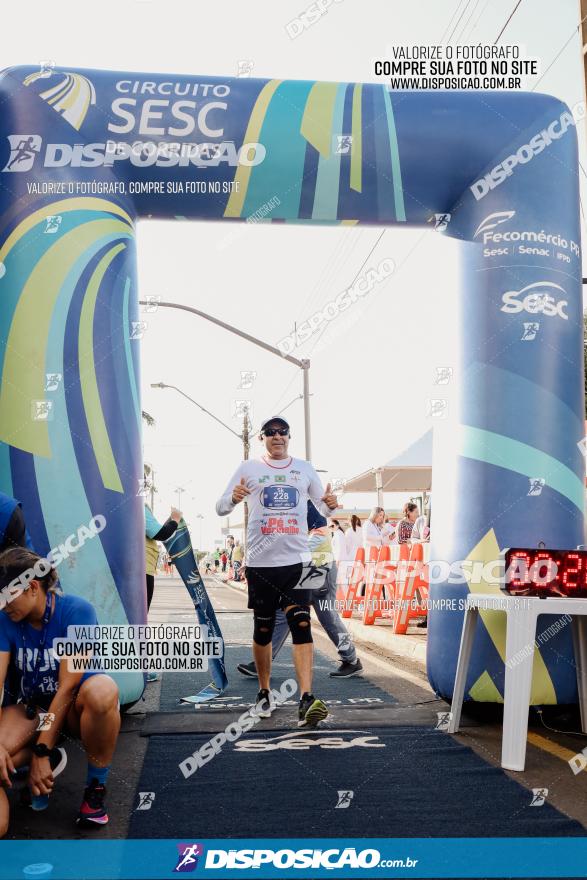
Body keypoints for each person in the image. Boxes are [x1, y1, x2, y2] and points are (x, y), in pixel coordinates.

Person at [216, 415, 339, 727]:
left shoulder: (304, 468)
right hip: (260, 565)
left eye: (282, 432)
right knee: (263, 630)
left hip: (297, 562)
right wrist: (232, 497)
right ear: (262, 439)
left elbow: (322, 512)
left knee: (301, 623)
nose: (277, 436)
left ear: (288, 436)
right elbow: (220, 507)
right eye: (270, 433)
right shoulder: (248, 468)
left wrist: (330, 505)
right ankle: (264, 690)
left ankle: (306, 698)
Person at [0, 547, 121, 834]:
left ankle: (94, 788)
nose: (3, 605)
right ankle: (32, 763)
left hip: (73, 711)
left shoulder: (77, 611)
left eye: (5, 595)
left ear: (31, 587)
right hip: (35, 711)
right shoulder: (4, 620)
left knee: (103, 690)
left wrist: (42, 748)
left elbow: (67, 689)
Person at [238, 502, 362, 679]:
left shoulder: (302, 503)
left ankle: (351, 660)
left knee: (326, 617)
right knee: (289, 614)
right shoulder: (285, 511)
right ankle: (351, 659)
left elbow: (320, 535)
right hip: (310, 567)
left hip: (318, 566)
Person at [145, 505, 182, 610]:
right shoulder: (136, 505)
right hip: (142, 568)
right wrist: (175, 519)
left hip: (126, 567)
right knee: (139, 617)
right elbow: (161, 533)